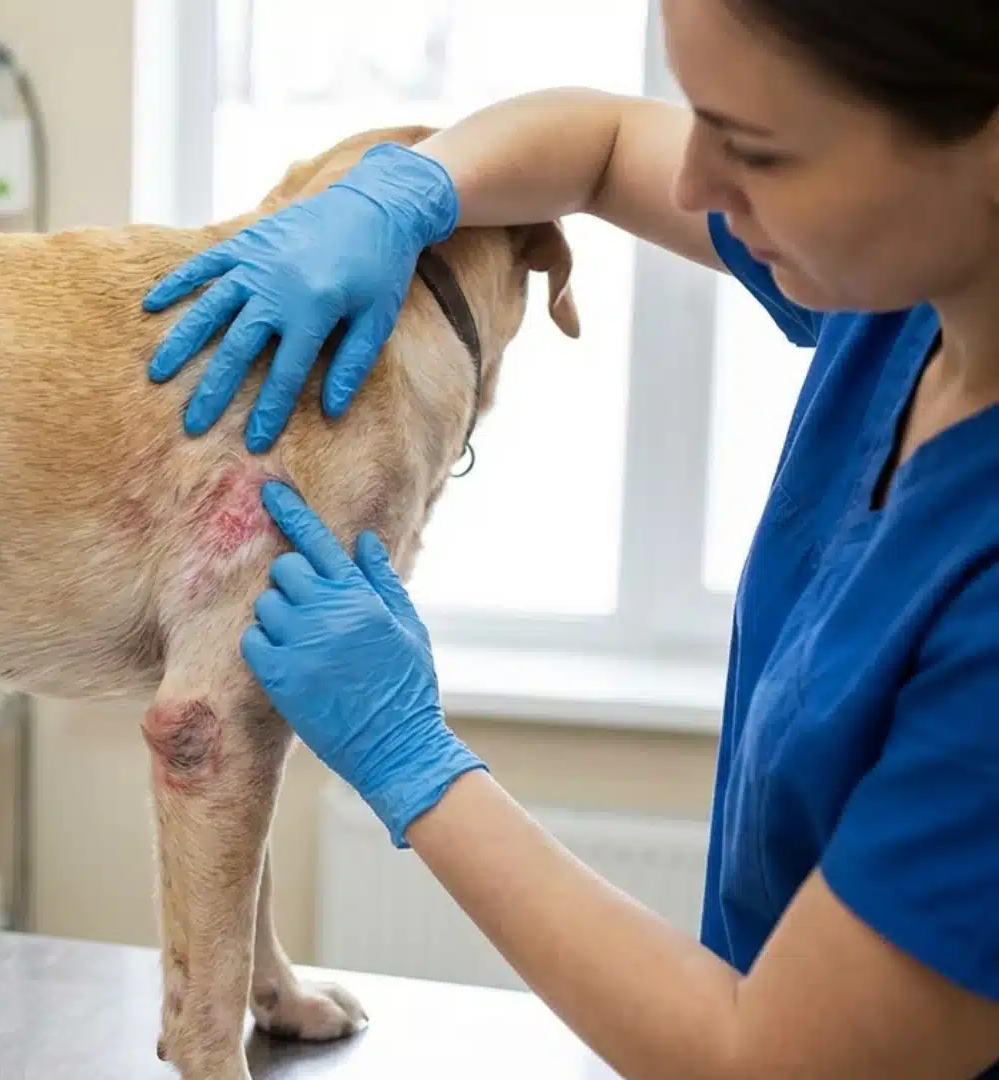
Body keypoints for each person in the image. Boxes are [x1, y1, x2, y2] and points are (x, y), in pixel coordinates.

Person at [142, 1, 999, 1078]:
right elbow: (598, 141)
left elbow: (767, 1060)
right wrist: (407, 189)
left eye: (759, 149)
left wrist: (414, 760)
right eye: (699, 116)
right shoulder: (914, 297)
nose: (690, 186)